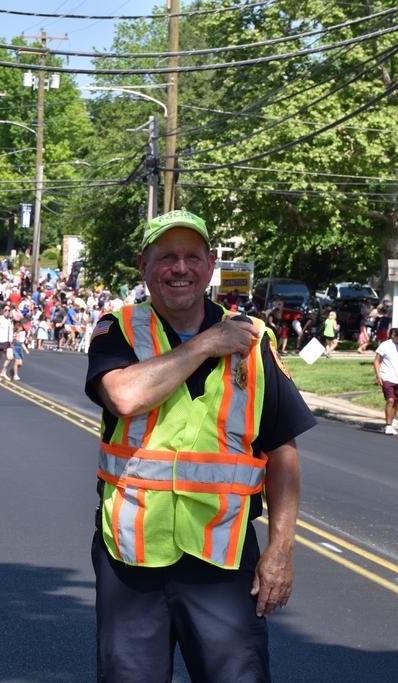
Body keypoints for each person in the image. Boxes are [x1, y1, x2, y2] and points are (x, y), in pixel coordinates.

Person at [86, 210, 315, 682]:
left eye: (193, 256)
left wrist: (281, 549)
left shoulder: (254, 343)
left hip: (223, 557)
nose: (181, 268)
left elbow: (282, 453)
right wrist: (207, 344)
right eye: (166, 257)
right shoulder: (119, 329)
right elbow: (125, 395)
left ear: (211, 265)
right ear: (144, 265)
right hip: (132, 556)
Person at [374, 327, 398, 435]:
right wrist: (378, 375)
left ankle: (393, 414)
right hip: (386, 377)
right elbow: (377, 361)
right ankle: (388, 425)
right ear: (393, 335)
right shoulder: (385, 345)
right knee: (391, 400)